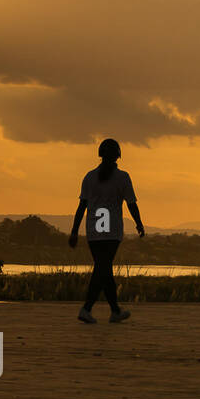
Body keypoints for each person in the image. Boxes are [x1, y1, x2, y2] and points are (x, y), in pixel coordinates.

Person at [68, 138, 143, 323]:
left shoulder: (89, 177)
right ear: (118, 157)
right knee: (103, 268)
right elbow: (131, 204)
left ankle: (115, 311)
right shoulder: (123, 177)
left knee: (104, 268)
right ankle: (86, 308)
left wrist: (75, 231)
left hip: (94, 230)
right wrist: (139, 223)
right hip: (111, 231)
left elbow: (81, 207)